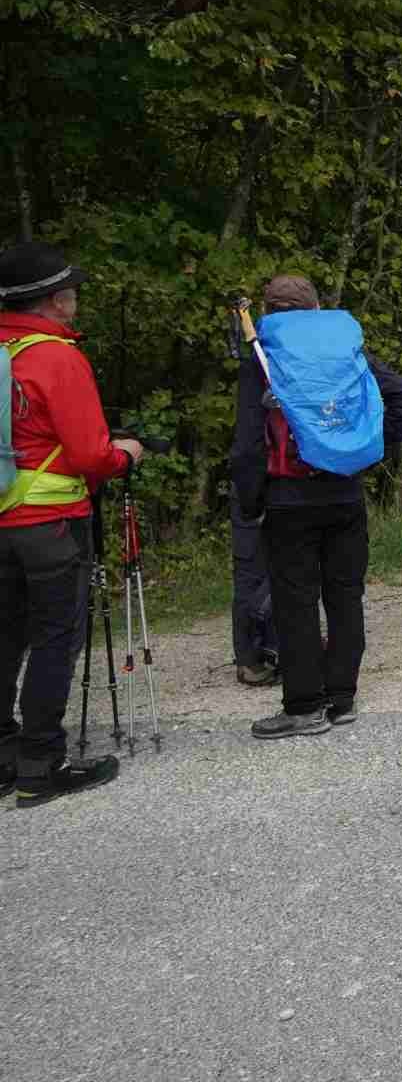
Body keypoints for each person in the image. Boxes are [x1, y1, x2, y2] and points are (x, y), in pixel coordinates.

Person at [235, 274, 402, 741]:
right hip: (344, 492)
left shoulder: (264, 355)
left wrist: (252, 498)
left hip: (288, 497)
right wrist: (366, 451)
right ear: (318, 307)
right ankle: (341, 698)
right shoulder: (346, 354)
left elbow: (247, 442)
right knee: (344, 595)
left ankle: (303, 706)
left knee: (295, 603)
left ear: (269, 310)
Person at [0, 244, 141, 806]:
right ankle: (40, 763)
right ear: (57, 301)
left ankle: (5, 758)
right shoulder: (56, 357)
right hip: (51, 522)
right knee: (55, 639)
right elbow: (89, 456)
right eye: (72, 293)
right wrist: (127, 454)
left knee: (4, 638)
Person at [231, 490, 280, 686]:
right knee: (286, 569)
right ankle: (255, 657)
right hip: (278, 485)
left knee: (249, 573)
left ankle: (252, 657)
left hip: (248, 482)